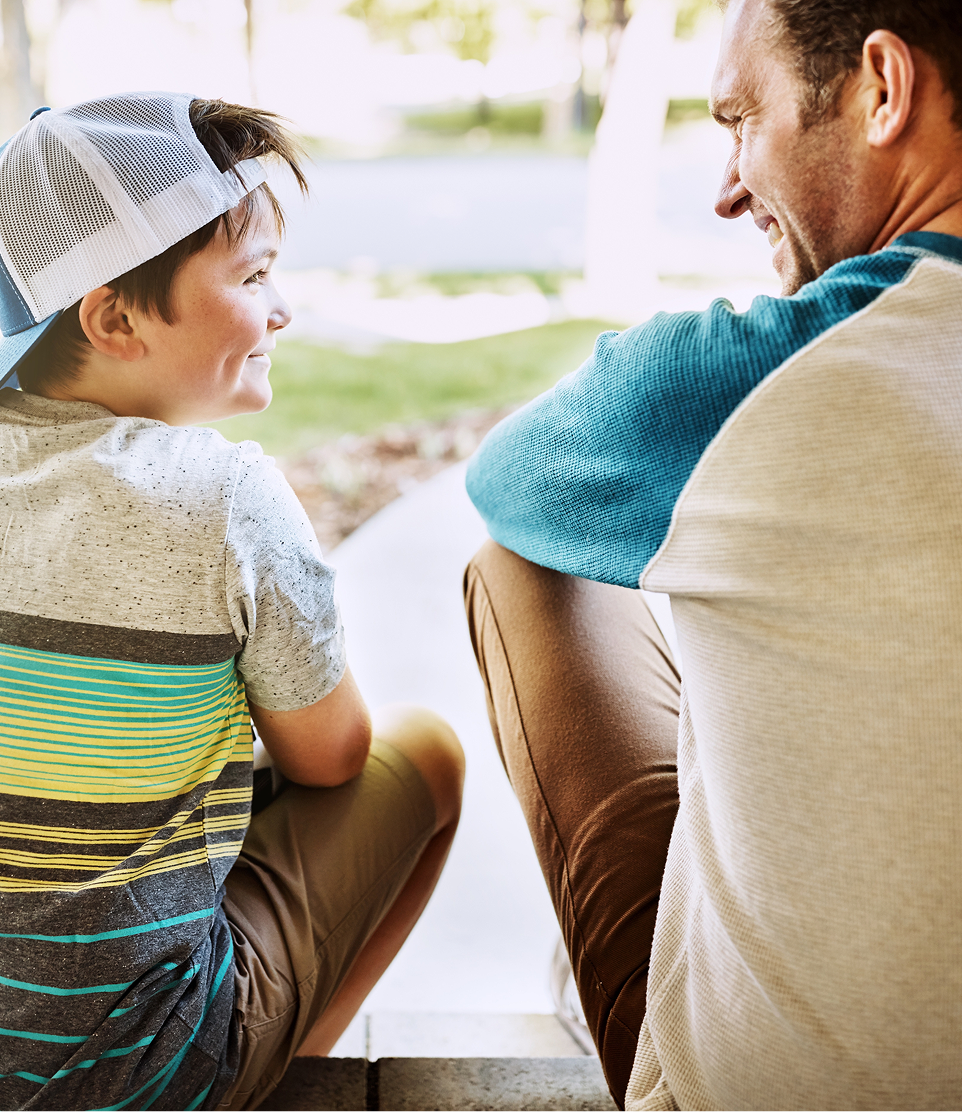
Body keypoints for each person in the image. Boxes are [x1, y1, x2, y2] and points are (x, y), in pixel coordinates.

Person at [464, 1, 962, 1109]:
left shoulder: (755, 382)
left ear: (882, 87)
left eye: (742, 121)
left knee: (518, 572)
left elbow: (512, 476)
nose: (727, 187)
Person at [0, 93, 464, 1112]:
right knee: (422, 754)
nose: (283, 310)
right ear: (112, 315)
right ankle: (258, 1083)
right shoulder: (222, 497)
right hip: (130, 1074)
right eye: (255, 276)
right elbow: (331, 755)